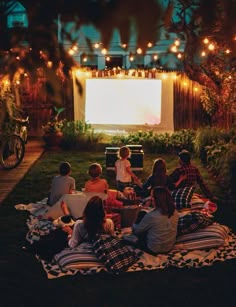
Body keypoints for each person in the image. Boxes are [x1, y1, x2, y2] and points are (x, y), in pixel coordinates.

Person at [132, 186, 179, 255]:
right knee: (147, 219)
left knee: (141, 215)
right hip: (169, 247)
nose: (150, 198)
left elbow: (137, 231)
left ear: (158, 199)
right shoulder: (175, 212)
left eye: (152, 196)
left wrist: (134, 222)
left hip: (153, 249)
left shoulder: (152, 216)